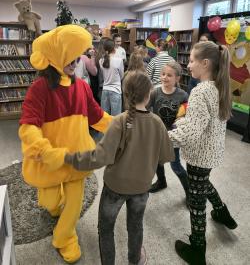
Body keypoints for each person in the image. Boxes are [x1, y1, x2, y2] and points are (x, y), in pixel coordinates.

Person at [18, 25, 112, 264]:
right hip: (50, 159)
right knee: (50, 203)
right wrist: (44, 150)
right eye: (71, 55)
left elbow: (98, 116)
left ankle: (63, 238)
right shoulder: (39, 89)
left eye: (78, 54)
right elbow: (28, 126)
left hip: (77, 157)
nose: (77, 60)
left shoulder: (81, 86)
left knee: (73, 204)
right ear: (55, 57)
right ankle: (53, 205)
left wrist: (122, 125)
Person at [64, 71, 174, 265]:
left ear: (125, 94)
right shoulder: (157, 123)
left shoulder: (119, 122)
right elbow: (164, 157)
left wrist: (70, 158)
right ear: (149, 95)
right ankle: (134, 260)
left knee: (105, 228)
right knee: (136, 225)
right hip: (142, 188)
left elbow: (99, 157)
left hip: (115, 188)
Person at [168, 41, 238, 265]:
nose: (188, 65)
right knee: (202, 182)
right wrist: (184, 122)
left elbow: (192, 134)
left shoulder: (200, 91)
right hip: (211, 151)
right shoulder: (219, 86)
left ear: (205, 63)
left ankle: (197, 249)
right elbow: (203, 122)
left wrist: (162, 139)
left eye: (191, 60)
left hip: (199, 154)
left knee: (197, 202)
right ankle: (221, 212)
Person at [148, 62, 189, 203]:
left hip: (174, 137)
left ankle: (190, 193)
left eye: (169, 75)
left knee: (175, 165)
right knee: (157, 161)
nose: (165, 77)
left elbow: (186, 115)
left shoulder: (183, 95)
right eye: (163, 74)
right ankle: (161, 181)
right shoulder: (155, 92)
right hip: (157, 135)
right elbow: (145, 110)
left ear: (177, 78)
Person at [100, 38, 124, 116]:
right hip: (116, 90)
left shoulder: (101, 60)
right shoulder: (119, 60)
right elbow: (121, 76)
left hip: (105, 90)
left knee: (105, 117)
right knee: (116, 118)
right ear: (114, 48)